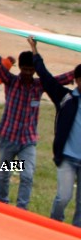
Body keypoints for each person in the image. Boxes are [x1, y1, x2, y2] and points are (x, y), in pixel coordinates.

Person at [0, 28, 74, 209]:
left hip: (28, 140)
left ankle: (22, 208)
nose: (27, 73)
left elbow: (63, 78)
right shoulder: (11, 81)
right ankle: (1, 204)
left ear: (34, 70)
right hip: (8, 137)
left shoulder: (39, 85)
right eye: (24, 69)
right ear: (20, 67)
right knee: (4, 174)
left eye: (30, 70)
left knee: (27, 175)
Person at [32, 37, 81, 226]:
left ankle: (77, 234)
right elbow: (45, 77)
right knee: (63, 197)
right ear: (76, 80)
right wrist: (35, 52)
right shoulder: (65, 98)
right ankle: (55, 225)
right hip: (67, 157)